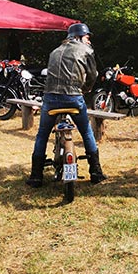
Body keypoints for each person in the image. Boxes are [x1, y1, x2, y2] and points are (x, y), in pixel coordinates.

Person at [27, 22, 107, 188]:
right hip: (73, 98)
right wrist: (86, 89)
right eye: (87, 37)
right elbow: (92, 75)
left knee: (42, 134)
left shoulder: (54, 52)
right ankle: (96, 172)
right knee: (86, 131)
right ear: (78, 36)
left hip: (50, 98)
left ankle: (35, 176)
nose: (89, 41)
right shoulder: (87, 51)